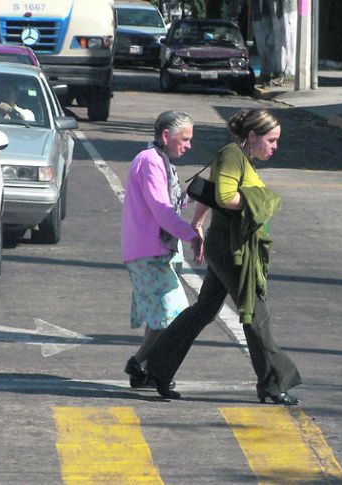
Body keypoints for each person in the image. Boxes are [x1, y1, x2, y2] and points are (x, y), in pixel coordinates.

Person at [140, 109, 302, 405]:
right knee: (255, 312)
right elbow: (226, 196)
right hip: (232, 249)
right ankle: (273, 382)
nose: (275, 146)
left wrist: (198, 225)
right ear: (252, 136)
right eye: (271, 140)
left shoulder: (239, 157)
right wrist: (263, 199)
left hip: (226, 244)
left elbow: (210, 192)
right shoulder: (232, 155)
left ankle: (156, 368)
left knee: (204, 310)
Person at [121, 110, 204, 389]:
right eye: (185, 139)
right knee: (175, 313)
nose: (189, 145)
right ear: (166, 136)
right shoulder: (149, 161)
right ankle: (142, 362)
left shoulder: (161, 161)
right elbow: (161, 211)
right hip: (148, 251)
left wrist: (187, 198)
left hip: (155, 250)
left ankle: (140, 370)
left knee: (160, 314)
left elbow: (168, 206)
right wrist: (193, 235)